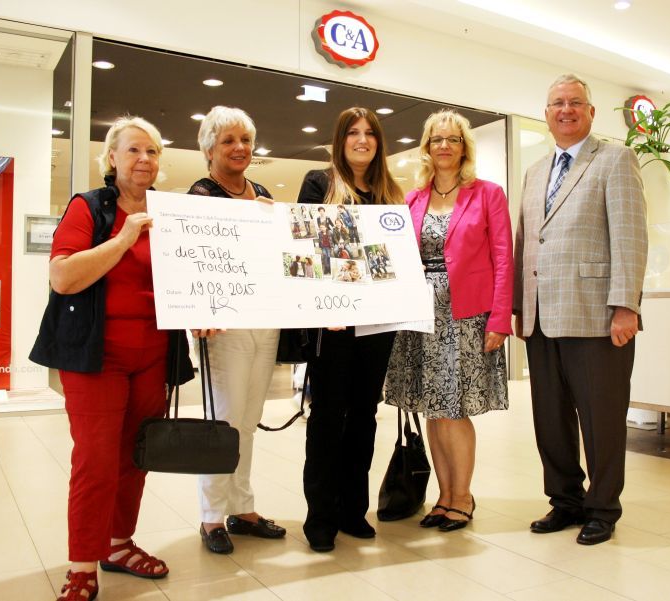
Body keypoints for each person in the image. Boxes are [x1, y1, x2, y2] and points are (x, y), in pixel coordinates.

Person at [29, 116, 194, 601]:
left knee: (135, 456)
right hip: (94, 354)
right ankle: (82, 565)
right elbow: (63, 278)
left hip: (154, 353)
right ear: (113, 158)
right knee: (96, 462)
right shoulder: (90, 207)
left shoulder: (172, 211)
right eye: (134, 151)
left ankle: (118, 545)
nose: (145, 160)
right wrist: (123, 239)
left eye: (153, 152)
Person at [513, 74, 648, 545]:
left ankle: (602, 508)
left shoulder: (614, 159)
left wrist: (625, 306)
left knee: (601, 418)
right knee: (549, 419)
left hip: (595, 314)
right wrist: (517, 304)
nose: (565, 110)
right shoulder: (534, 171)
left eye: (575, 103)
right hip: (539, 316)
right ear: (545, 114)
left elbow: (630, 238)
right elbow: (526, 241)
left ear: (591, 112)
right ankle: (565, 501)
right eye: (556, 103)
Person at [385, 109, 513, 532]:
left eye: (452, 139)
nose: (444, 146)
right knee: (432, 409)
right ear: (426, 147)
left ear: (464, 147)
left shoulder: (487, 193)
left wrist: (499, 318)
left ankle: (463, 497)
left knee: (455, 409)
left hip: (466, 315)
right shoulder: (413, 199)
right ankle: (443, 496)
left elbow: (502, 259)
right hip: (420, 315)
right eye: (437, 139)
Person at [297, 107, 403, 552]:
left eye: (370, 134)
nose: (362, 140)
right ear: (340, 140)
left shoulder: (391, 194)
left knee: (364, 414)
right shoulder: (319, 183)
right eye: (353, 133)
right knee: (326, 415)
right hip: (333, 321)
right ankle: (320, 516)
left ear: (379, 142)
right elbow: (300, 243)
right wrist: (319, 305)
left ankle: (352, 510)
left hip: (377, 324)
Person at [187, 105, 285, 555]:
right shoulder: (202, 195)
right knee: (223, 421)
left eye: (245, 139)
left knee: (248, 420)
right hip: (223, 325)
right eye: (228, 141)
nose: (240, 148)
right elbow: (191, 260)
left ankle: (242, 507)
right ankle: (211, 517)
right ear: (209, 148)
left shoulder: (261, 192)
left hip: (266, 320)